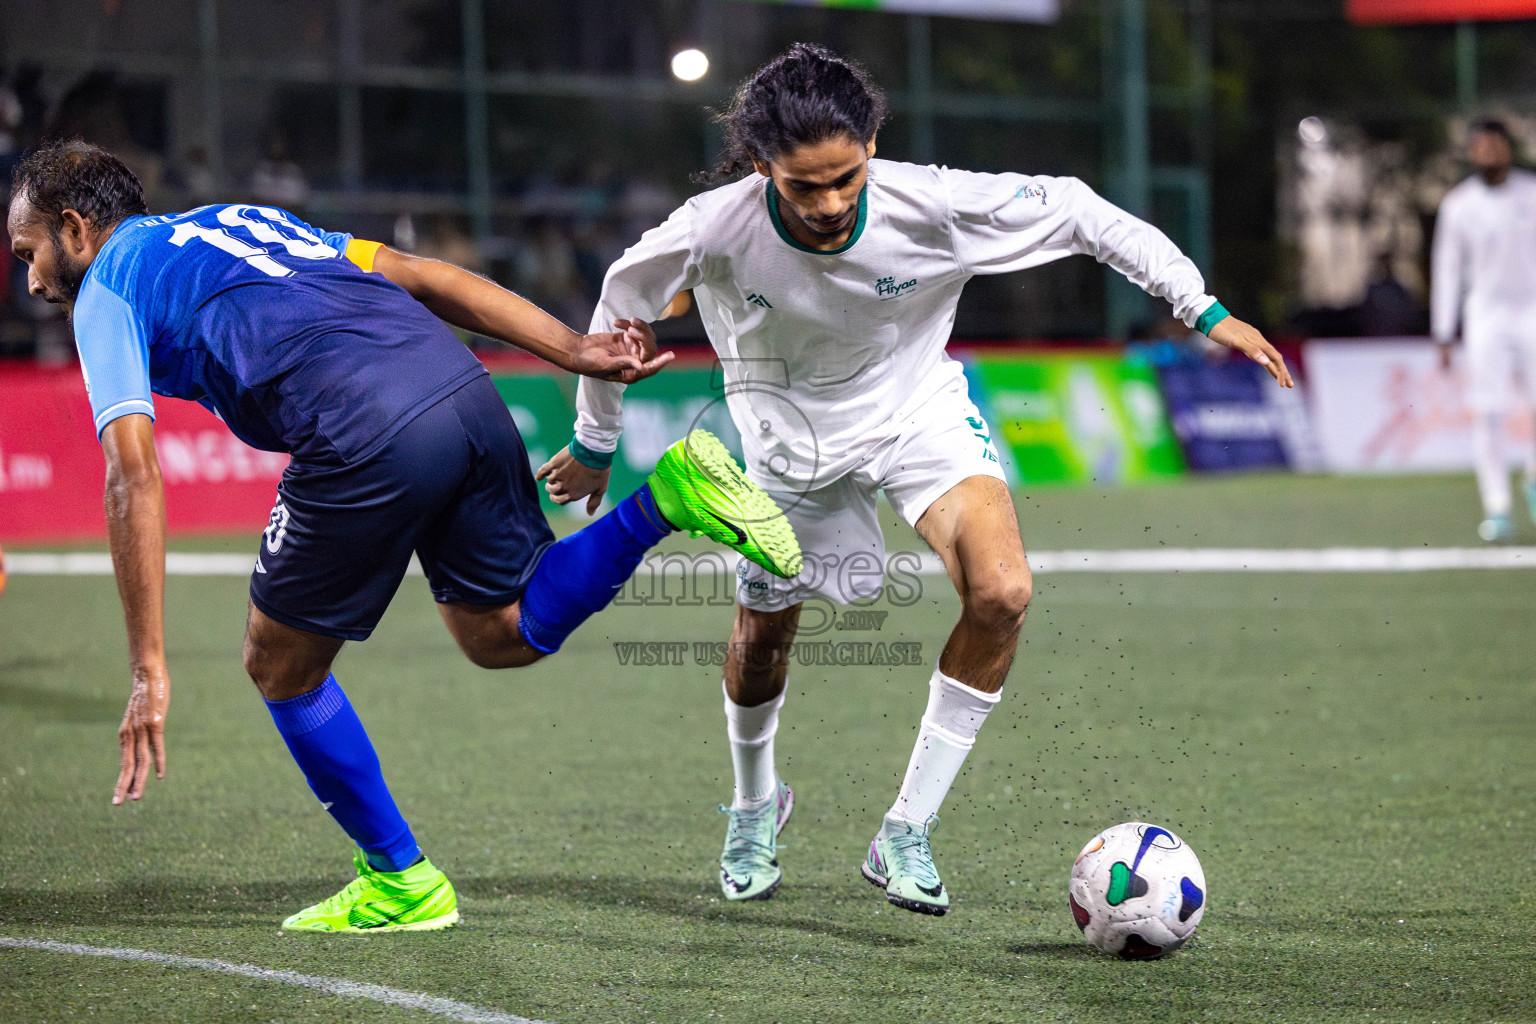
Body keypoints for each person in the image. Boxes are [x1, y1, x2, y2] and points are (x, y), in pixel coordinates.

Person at [538, 43, 1292, 916]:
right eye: (803, 186)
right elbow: (617, 304)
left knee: (1004, 591)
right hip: (788, 446)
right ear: (761, 168)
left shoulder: (932, 202)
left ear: (871, 147)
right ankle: (754, 805)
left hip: (917, 415)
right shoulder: (711, 227)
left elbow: (1086, 215)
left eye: (846, 178)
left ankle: (907, 826)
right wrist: (595, 440)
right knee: (762, 642)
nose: (829, 203)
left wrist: (1205, 308)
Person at [7, 140, 800, 933]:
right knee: (502, 631)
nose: (32, 280)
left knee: (279, 663)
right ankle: (667, 495)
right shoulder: (237, 219)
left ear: (76, 228)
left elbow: (132, 475)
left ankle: (400, 880)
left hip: (359, 425)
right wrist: (572, 349)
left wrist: (148, 665)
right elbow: (420, 274)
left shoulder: (105, 289)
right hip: (460, 387)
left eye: (30, 252)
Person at [1431, 118, 1536, 542]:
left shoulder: (1531, 192)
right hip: (1486, 318)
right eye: (1481, 146)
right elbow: (1447, 269)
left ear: (1508, 148)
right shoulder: (1459, 205)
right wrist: (1443, 330)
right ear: (1471, 152)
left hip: (1532, 313)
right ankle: (1497, 508)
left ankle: (1533, 478)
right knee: (1488, 413)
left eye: (1497, 145)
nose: (1490, 153)